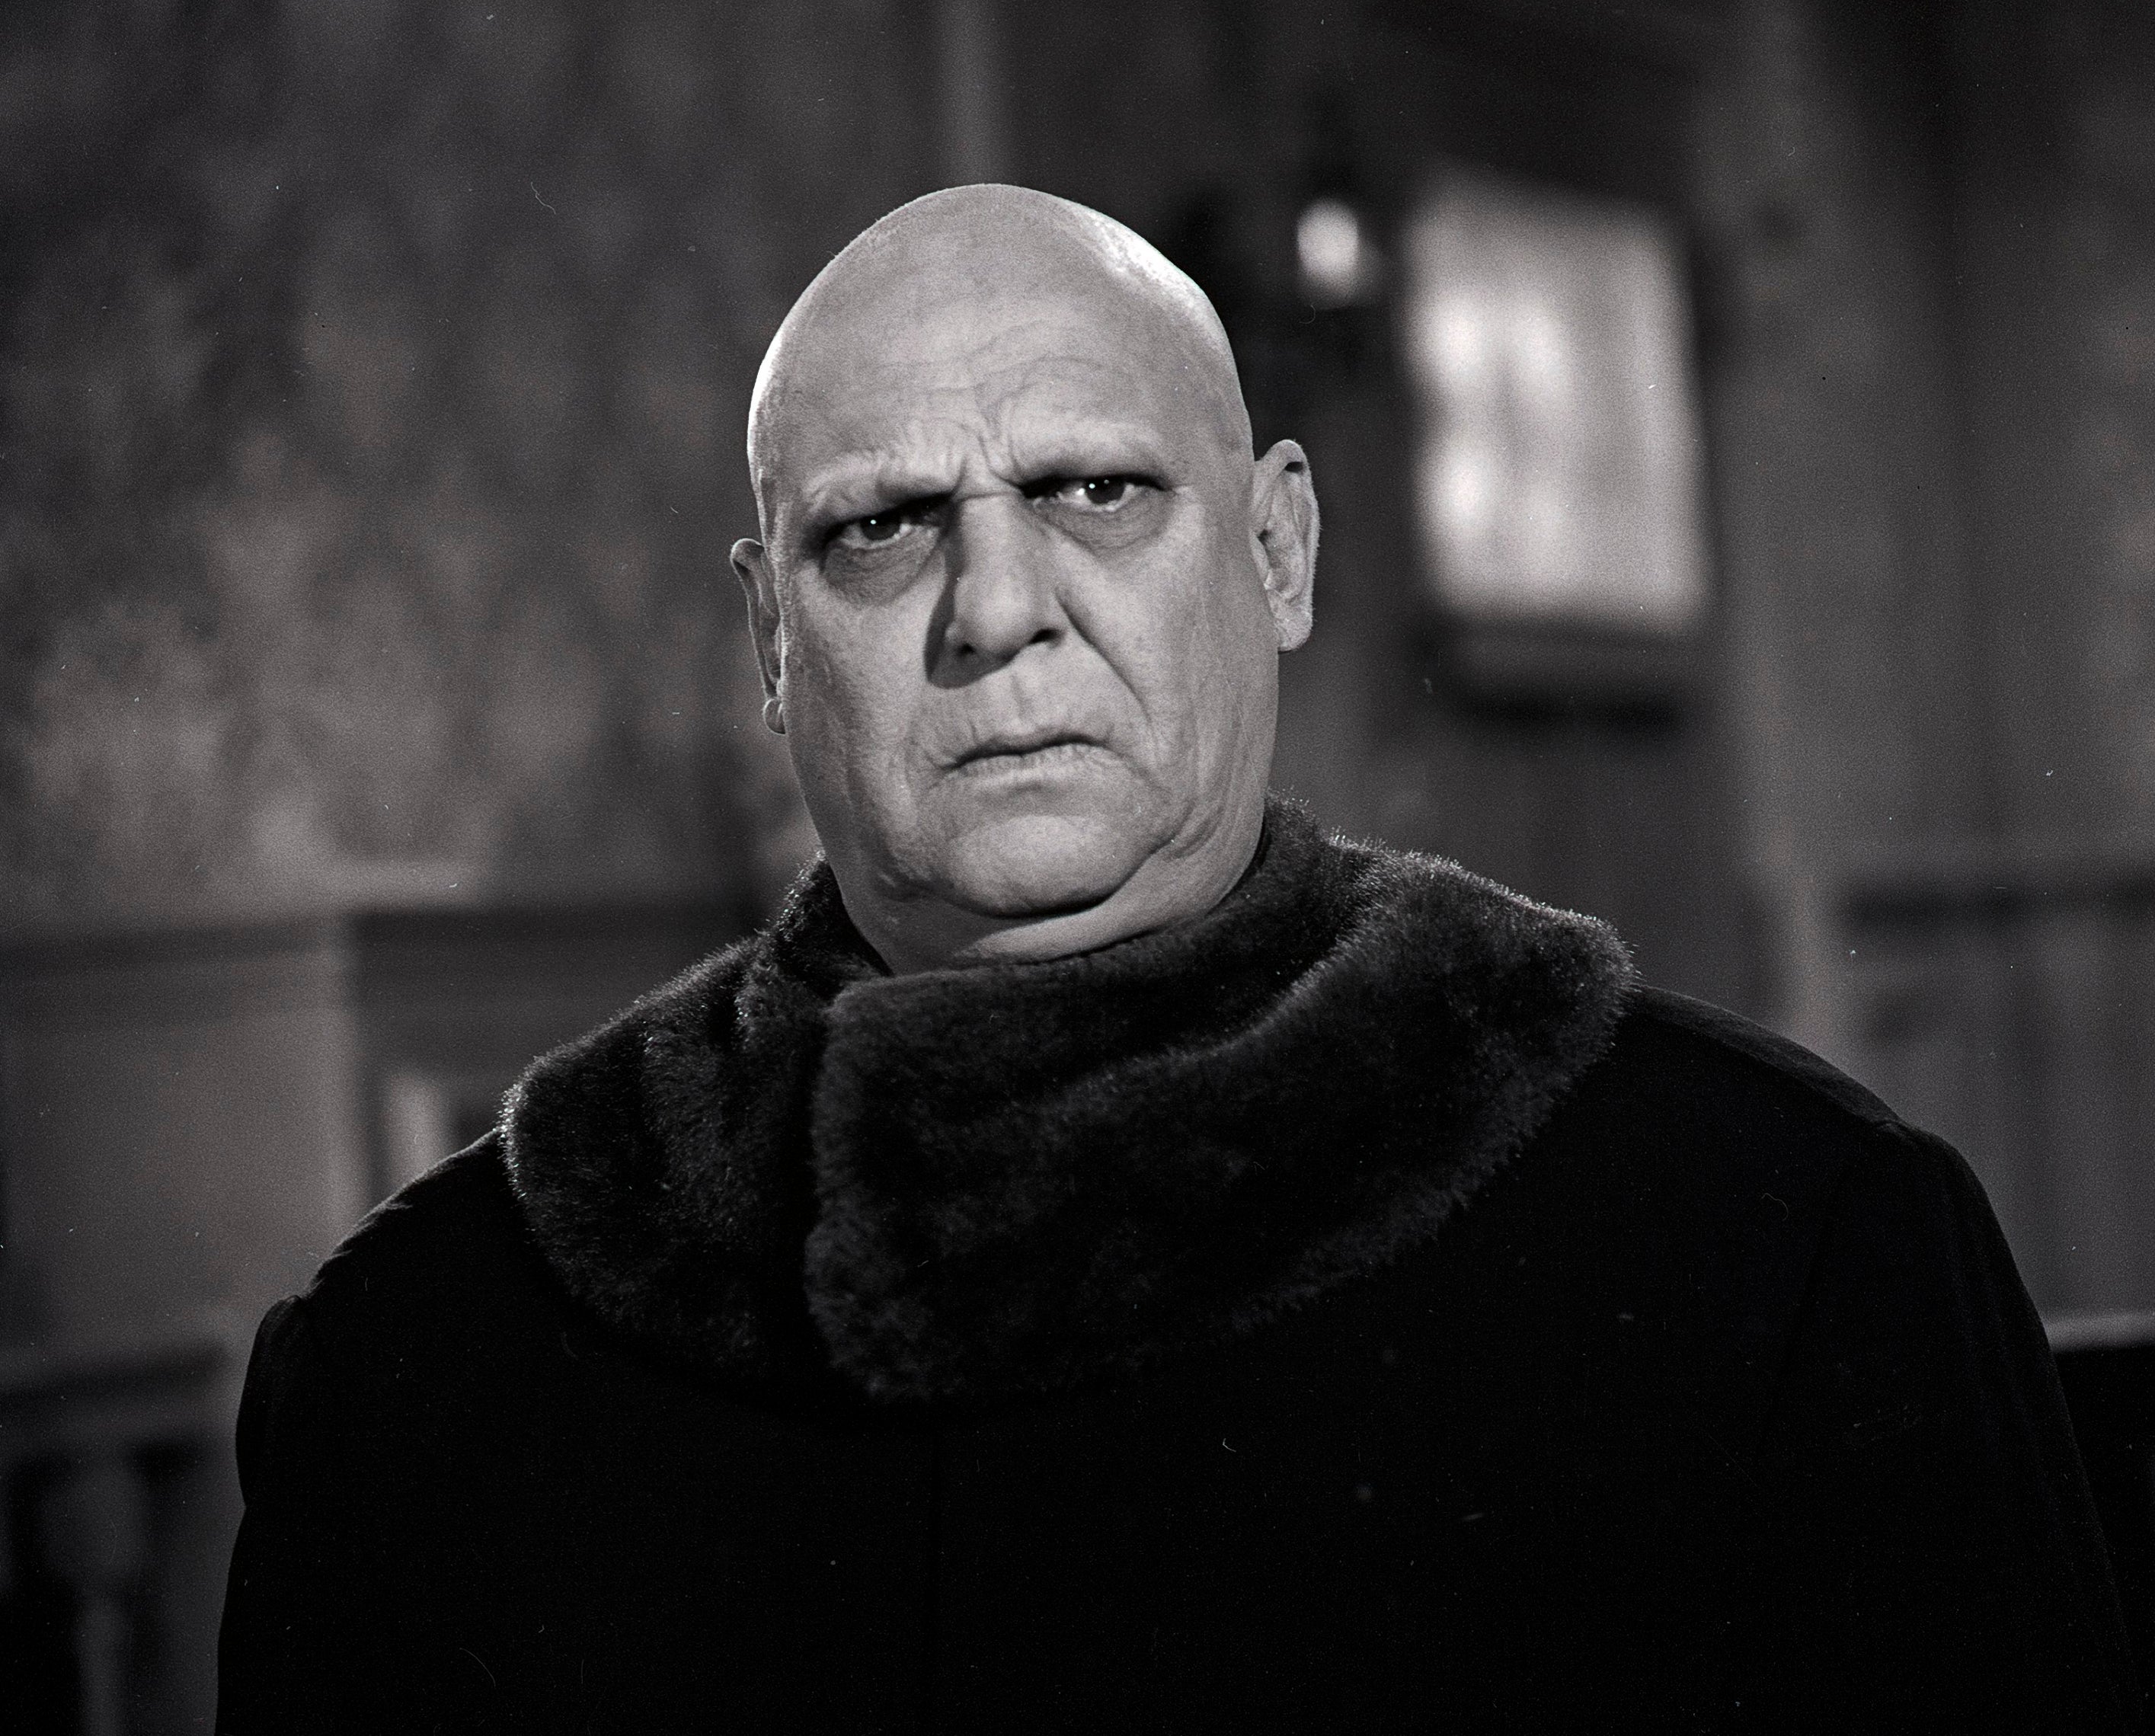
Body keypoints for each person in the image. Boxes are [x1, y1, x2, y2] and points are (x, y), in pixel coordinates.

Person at [217, 186, 2143, 1732]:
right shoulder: (417, 1363)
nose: (995, 609)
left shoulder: (1785, 1242)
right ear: (769, 643)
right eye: (879, 529)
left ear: (1277, 550)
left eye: (1093, 492)